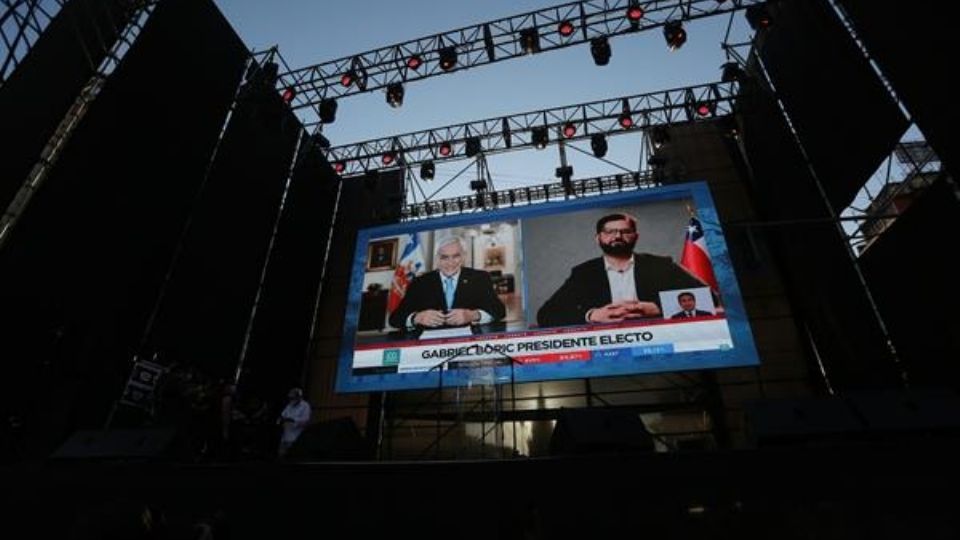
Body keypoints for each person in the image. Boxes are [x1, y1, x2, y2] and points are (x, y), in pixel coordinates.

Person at [537, 213, 708, 328]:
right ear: (598, 238)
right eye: (609, 232)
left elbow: (709, 298)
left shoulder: (660, 264)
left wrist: (658, 308)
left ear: (636, 237)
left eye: (625, 231)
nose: (617, 236)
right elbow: (546, 315)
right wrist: (592, 315)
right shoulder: (584, 273)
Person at [388, 236, 506, 330]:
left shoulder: (480, 278)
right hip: (430, 347)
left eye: (456, 256)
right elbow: (395, 319)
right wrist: (416, 318)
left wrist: (472, 315)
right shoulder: (420, 282)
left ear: (464, 256)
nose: (450, 262)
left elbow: (499, 311)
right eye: (444, 257)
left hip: (469, 342)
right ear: (437, 258)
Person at [276, 387, 310, 458]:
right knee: (281, 457)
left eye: (293, 398)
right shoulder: (289, 406)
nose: (291, 400)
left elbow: (306, 421)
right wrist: (280, 421)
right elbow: (281, 417)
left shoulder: (305, 406)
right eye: (290, 398)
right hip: (285, 437)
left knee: (293, 458)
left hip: (296, 438)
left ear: (299, 397)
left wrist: (293, 420)